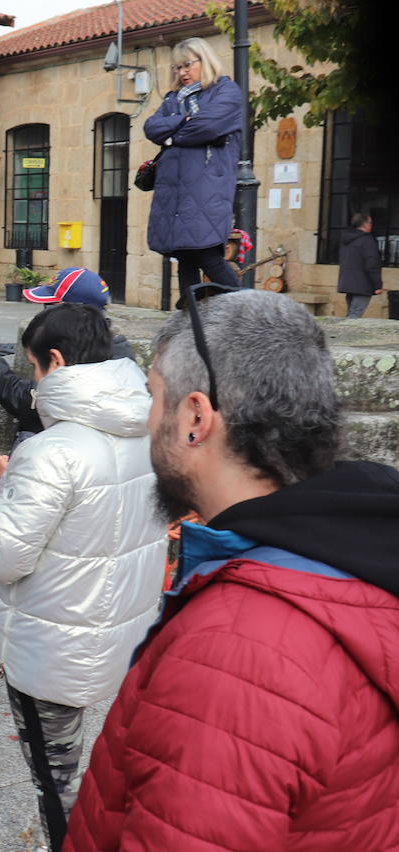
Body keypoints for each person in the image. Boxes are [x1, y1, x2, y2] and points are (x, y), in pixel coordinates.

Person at [66, 289, 399, 850]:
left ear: (195, 417)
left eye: (154, 397)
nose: (149, 421)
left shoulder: (236, 648)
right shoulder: (359, 544)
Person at [0, 304, 166, 851]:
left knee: (55, 785)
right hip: (116, 631)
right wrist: (20, 483)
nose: (33, 380)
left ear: (54, 361)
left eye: (33, 367)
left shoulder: (52, 450)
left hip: (50, 644)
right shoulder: (147, 430)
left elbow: (2, 556)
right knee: (101, 771)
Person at [0, 267, 133, 441]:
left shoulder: (85, 353)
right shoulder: (114, 351)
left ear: (74, 312)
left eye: (49, 307)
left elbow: (33, 401)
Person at [144, 37, 244, 303]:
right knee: (185, 255)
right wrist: (183, 121)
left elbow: (207, 127)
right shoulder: (173, 98)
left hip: (206, 187)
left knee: (207, 255)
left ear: (204, 60)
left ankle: (251, 311)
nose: (182, 72)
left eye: (188, 65)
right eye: (177, 68)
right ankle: (190, 319)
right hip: (175, 190)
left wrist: (172, 136)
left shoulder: (226, 91)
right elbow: (151, 128)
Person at [336, 212, 383, 318]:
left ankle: (345, 333)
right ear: (365, 224)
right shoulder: (367, 240)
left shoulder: (346, 240)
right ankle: (347, 334)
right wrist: (377, 285)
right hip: (362, 284)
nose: (371, 225)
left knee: (351, 314)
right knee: (355, 316)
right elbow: (372, 264)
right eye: (370, 222)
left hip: (348, 283)